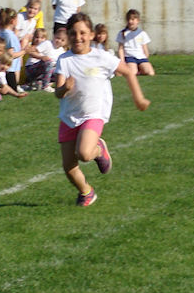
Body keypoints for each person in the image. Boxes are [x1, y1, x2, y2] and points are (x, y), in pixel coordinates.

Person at [54, 13, 150, 207]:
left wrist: (138, 98)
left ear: (91, 34)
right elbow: (58, 92)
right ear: (68, 35)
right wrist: (64, 88)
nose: (78, 37)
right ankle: (86, 192)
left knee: (84, 153)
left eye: (83, 33)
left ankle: (99, 150)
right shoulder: (64, 60)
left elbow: (128, 72)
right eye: (73, 33)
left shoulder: (101, 57)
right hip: (69, 117)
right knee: (69, 167)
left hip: (94, 114)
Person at [25, 27, 67, 92]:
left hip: (44, 71)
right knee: (49, 62)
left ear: (66, 42)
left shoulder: (62, 51)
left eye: (62, 40)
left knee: (61, 70)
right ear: (54, 36)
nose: (59, 41)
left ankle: (38, 83)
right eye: (57, 38)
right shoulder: (47, 44)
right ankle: (45, 86)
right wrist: (41, 57)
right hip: (32, 68)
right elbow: (31, 52)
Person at [115, 10, 155, 76]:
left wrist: (146, 59)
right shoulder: (122, 33)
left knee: (150, 73)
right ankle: (129, 69)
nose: (130, 21)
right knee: (132, 73)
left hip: (141, 57)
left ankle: (140, 69)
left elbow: (145, 48)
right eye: (129, 19)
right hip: (129, 57)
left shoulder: (142, 33)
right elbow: (120, 49)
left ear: (138, 21)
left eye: (133, 19)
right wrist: (122, 61)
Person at [0, 7, 26, 92]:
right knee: (12, 90)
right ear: (13, 21)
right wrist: (24, 51)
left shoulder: (1, 32)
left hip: (7, 69)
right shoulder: (9, 35)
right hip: (10, 69)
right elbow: (10, 54)